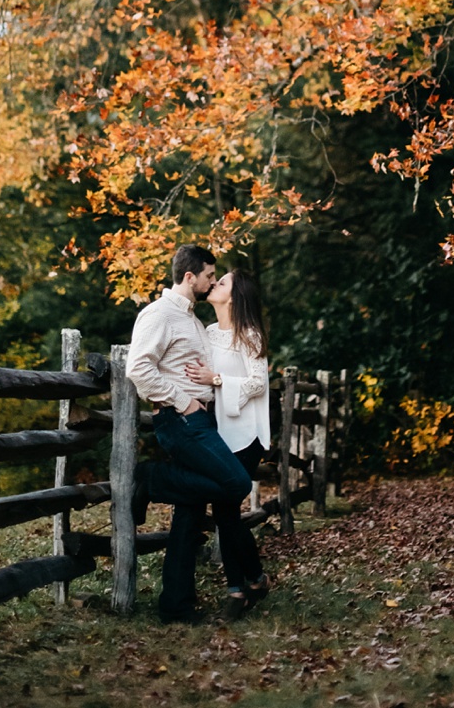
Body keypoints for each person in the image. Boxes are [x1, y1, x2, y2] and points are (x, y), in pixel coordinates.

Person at [126, 243, 255, 623]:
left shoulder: (194, 322)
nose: (212, 281)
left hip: (200, 421)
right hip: (181, 421)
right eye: (209, 276)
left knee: (190, 511)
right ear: (189, 276)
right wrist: (182, 401)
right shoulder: (159, 314)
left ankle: (175, 606)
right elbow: (138, 369)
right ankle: (151, 478)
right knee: (237, 484)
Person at [181, 263, 273, 620]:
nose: (214, 285)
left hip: (247, 434)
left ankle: (242, 587)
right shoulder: (206, 332)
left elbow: (257, 384)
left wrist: (217, 379)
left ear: (235, 297)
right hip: (217, 431)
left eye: (221, 282)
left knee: (225, 511)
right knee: (225, 512)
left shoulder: (249, 335)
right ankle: (249, 582)